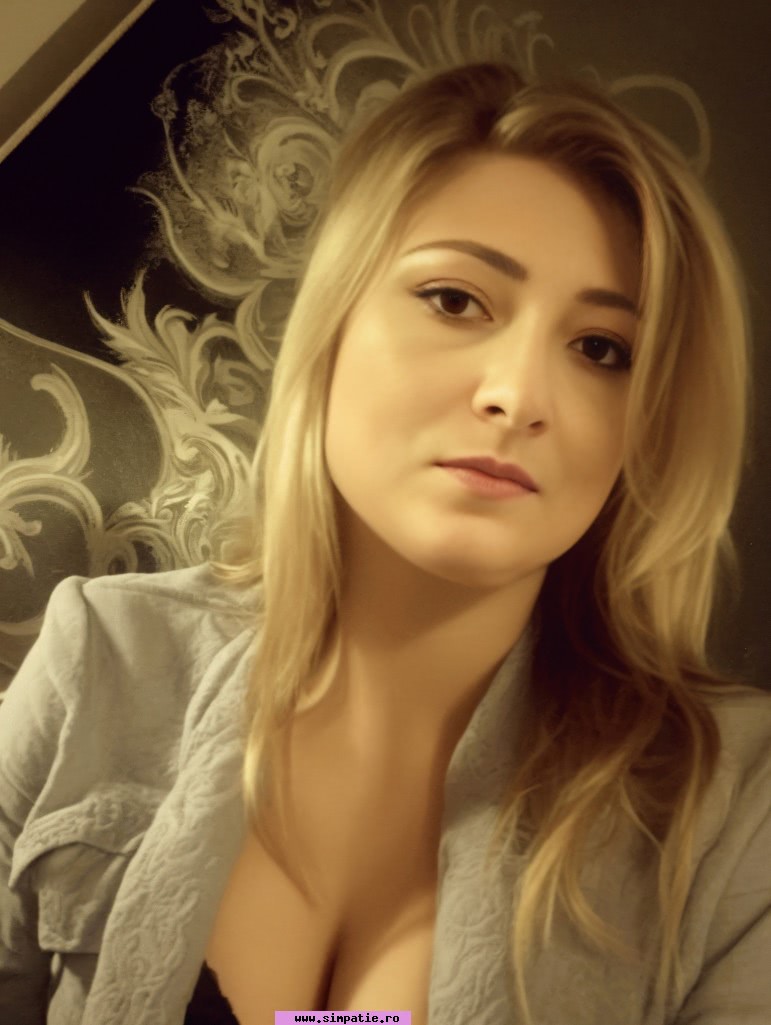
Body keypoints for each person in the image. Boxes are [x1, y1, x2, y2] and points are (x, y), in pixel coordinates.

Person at [0, 61, 769, 1025]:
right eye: (454, 299)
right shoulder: (103, 657)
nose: (518, 394)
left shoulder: (733, 803)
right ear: (331, 323)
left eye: (601, 349)